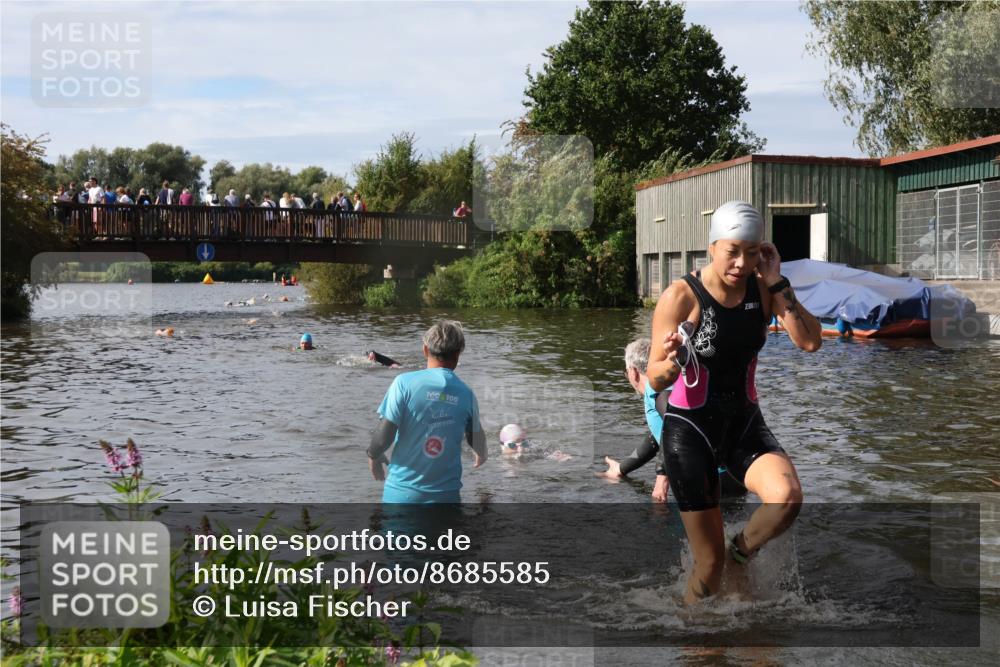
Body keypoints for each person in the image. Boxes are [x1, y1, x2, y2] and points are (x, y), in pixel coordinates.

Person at [646, 200, 822, 605]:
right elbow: (653, 374)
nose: (742, 263)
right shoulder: (680, 296)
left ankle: (740, 552)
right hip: (690, 432)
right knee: (708, 566)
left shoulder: (764, 287)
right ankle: (693, 639)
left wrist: (778, 282)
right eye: (733, 251)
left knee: (787, 498)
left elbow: (810, 341)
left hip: (743, 423)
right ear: (712, 248)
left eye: (752, 251)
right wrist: (671, 365)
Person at [367, 321, 486, 503]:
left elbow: (383, 438)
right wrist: (481, 453)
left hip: (402, 496)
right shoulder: (466, 394)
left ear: (425, 350)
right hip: (447, 499)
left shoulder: (403, 384)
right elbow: (475, 438)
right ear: (457, 354)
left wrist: (373, 455)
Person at [601, 338, 670, 502]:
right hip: (724, 474)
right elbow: (656, 436)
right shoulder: (666, 385)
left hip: (709, 479)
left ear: (633, 372)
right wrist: (621, 468)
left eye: (626, 373)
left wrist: (661, 480)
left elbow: (673, 428)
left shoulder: (656, 391)